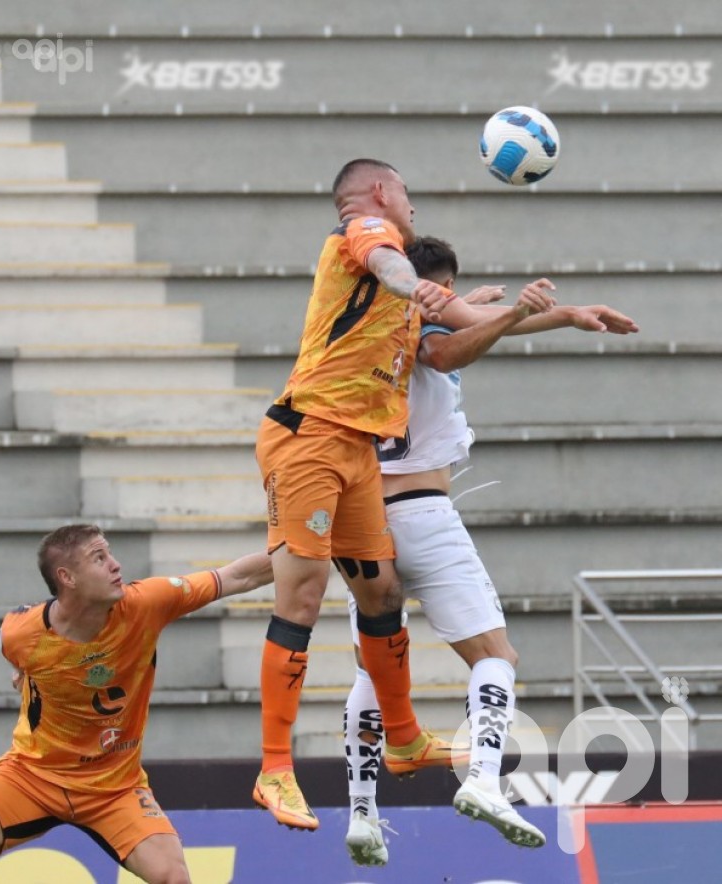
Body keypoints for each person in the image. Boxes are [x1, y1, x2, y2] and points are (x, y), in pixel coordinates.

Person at [251, 159, 560, 832]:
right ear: (385, 194)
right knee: (302, 601)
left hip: (360, 454)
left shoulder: (404, 308)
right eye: (409, 197)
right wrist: (414, 283)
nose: (412, 210)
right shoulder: (363, 231)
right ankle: (275, 768)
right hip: (311, 437)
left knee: (380, 597)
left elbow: (459, 321)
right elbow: (398, 274)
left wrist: (557, 314)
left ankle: (401, 740)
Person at [342, 236, 640, 865]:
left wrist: (565, 314)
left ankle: (362, 812)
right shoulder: (415, 320)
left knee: (375, 667)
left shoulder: (360, 323)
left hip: (366, 522)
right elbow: (447, 348)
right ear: (433, 287)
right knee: (496, 655)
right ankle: (481, 775)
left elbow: (460, 326)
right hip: (422, 513)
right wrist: (512, 313)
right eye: (449, 291)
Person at [0, 523, 273, 884]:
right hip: (33, 775)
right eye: (99, 557)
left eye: (111, 553)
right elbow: (8, 644)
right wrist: (21, 671)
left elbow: (236, 578)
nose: (116, 565)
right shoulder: (24, 633)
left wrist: (313, 548)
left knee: (173, 877)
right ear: (67, 578)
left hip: (115, 786)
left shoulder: (145, 604)